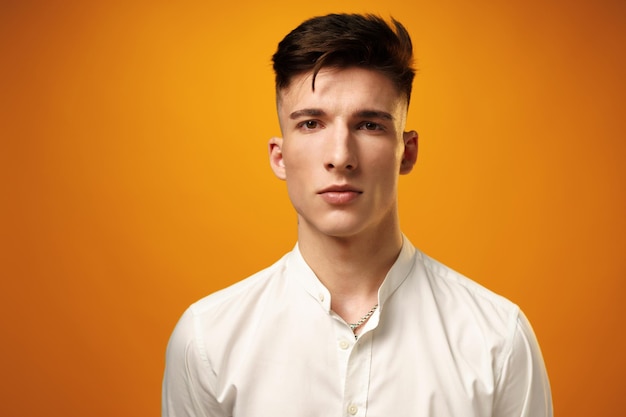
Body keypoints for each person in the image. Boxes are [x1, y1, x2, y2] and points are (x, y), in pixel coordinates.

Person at [162, 13, 552, 416]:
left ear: (408, 151)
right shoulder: (209, 339)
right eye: (312, 123)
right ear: (280, 157)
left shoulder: (497, 339)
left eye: (368, 125)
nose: (340, 157)